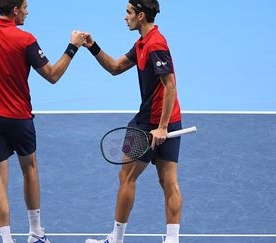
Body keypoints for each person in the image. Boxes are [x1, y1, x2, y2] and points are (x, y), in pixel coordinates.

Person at [0, 0, 85, 242]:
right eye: (25, 7)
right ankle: (36, 233)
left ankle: (6, 240)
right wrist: (72, 47)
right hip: (18, 118)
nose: (27, 11)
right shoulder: (25, 40)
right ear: (15, 10)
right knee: (30, 169)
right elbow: (53, 75)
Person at [83, 1, 183, 243]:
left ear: (140, 16)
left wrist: (161, 126)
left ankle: (119, 240)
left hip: (153, 121)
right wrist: (92, 46)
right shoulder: (142, 43)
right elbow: (116, 67)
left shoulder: (155, 44)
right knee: (166, 180)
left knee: (129, 178)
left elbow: (170, 86)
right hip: (166, 118)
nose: (124, 17)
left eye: (128, 12)